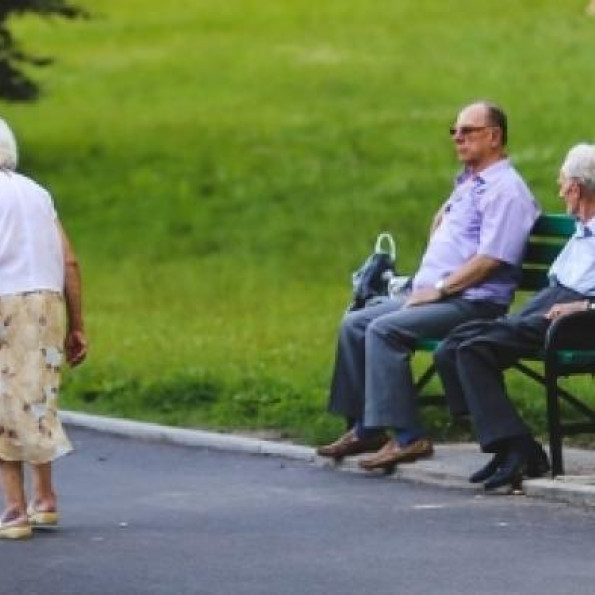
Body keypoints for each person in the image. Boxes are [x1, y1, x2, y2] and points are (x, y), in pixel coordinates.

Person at [316, 101, 540, 472]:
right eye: (454, 131)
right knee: (355, 322)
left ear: (495, 136)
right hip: (440, 294)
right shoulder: (470, 183)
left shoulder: (506, 190)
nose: (458, 138)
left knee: (384, 330)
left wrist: (440, 289)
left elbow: (493, 259)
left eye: (468, 130)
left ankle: (408, 436)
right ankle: (368, 426)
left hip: (472, 302)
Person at [434, 144, 595, 491]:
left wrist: (584, 308)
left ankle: (518, 448)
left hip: (577, 320)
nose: (559, 189)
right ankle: (507, 445)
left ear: (576, 189)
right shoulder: (583, 227)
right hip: (551, 306)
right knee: (453, 345)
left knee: (475, 349)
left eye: (562, 182)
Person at [0, 118, 87, 540]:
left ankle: (14, 511)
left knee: (3, 406)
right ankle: (45, 499)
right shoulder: (37, 192)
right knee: (36, 398)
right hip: (46, 304)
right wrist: (78, 326)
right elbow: (68, 261)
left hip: (4, 304)